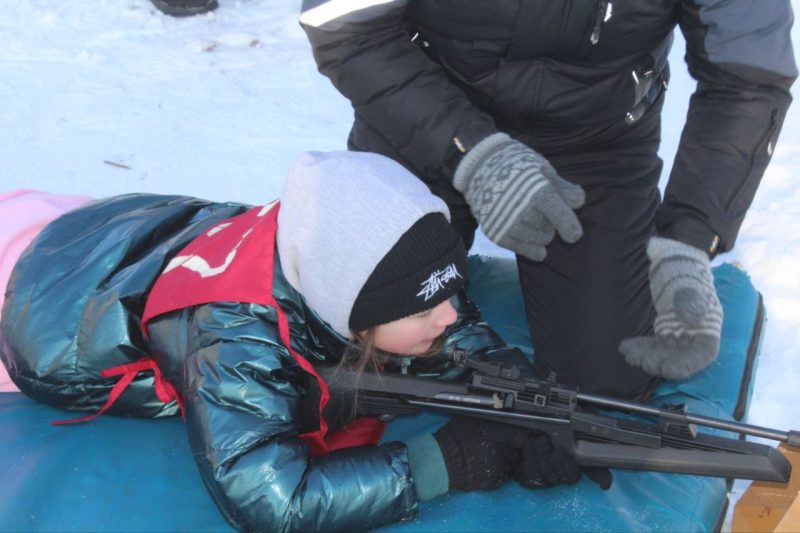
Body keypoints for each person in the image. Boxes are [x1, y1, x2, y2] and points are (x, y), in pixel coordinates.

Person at [0, 151, 590, 531]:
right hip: (48, 309)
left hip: (126, 229)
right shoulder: (233, 340)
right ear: (353, 315)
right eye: (423, 308)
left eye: (450, 291)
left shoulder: (327, 240)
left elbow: (432, 306)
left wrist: (497, 369)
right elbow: (270, 499)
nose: (450, 315)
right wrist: (447, 461)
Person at [299, 1, 797, 400]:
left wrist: (689, 240)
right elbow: (346, 28)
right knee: (357, 352)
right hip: (429, 120)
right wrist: (475, 156)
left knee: (607, 382)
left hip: (595, 144)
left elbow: (749, 81)